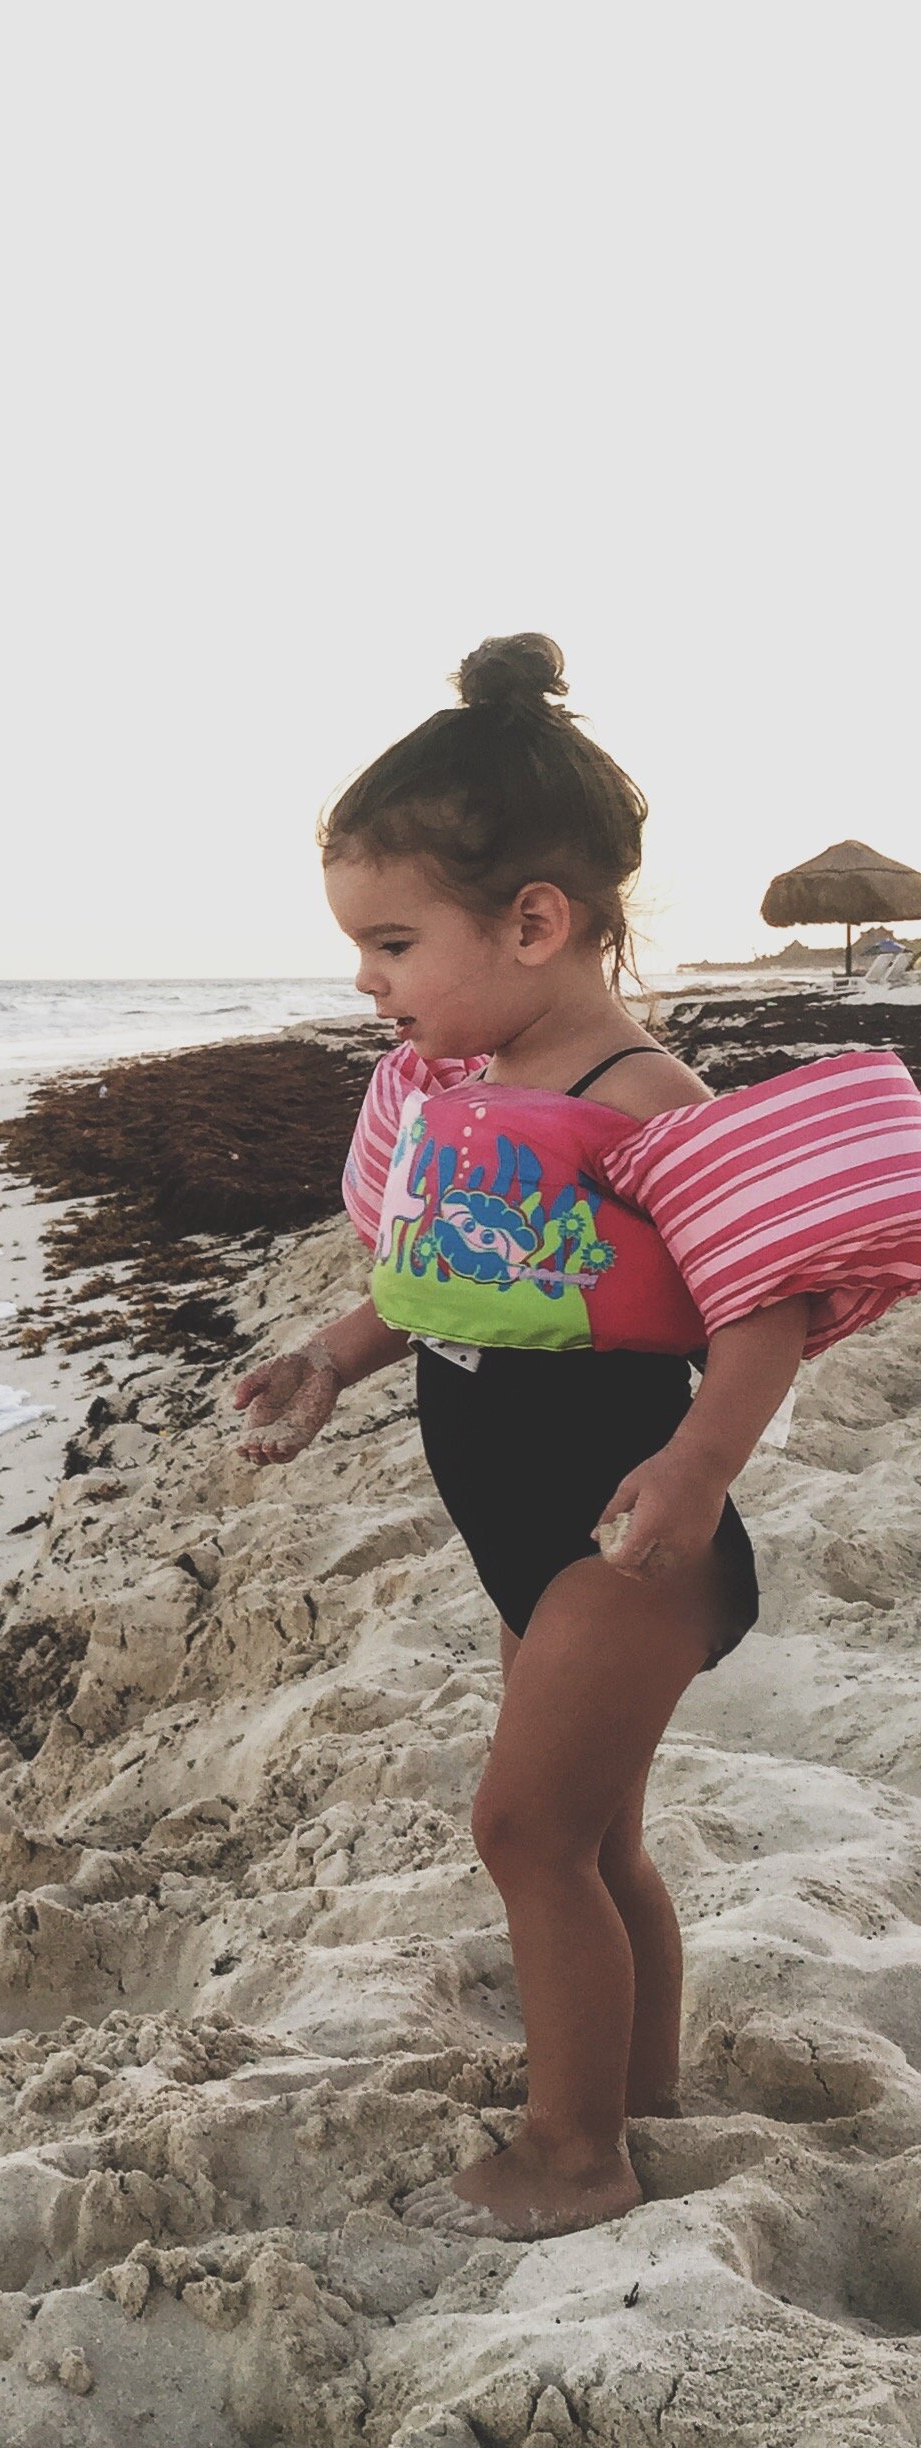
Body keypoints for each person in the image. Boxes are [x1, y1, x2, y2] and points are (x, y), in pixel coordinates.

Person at [233, 632, 921, 2242]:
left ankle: (575, 2155)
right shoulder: (458, 1086)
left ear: (535, 922)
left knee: (523, 1828)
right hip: (517, 1512)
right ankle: (644, 2090)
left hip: (626, 1530)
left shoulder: (643, 1094)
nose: (367, 982)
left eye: (392, 941)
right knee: (598, 1831)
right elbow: (453, 1277)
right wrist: (336, 1354)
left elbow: (760, 1307)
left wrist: (695, 1472)